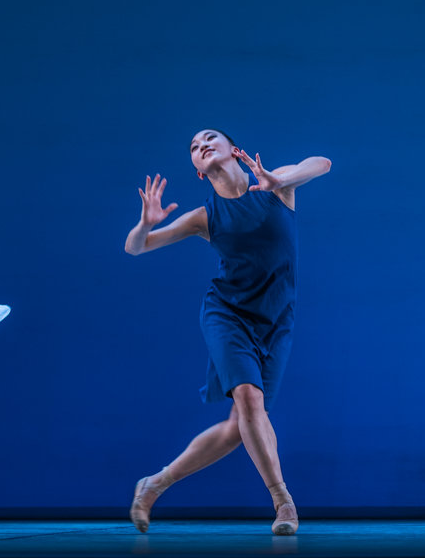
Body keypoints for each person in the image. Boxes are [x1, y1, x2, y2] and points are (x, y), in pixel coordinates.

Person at [124, 130, 331, 535]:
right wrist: (143, 224)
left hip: (276, 321)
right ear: (199, 171)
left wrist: (282, 180)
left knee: (240, 427)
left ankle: (153, 485)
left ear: (233, 150)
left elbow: (322, 163)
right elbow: (136, 247)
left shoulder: (274, 187)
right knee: (251, 403)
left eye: (209, 138)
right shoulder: (206, 216)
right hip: (227, 313)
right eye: (194, 148)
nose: (200, 145)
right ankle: (283, 501)